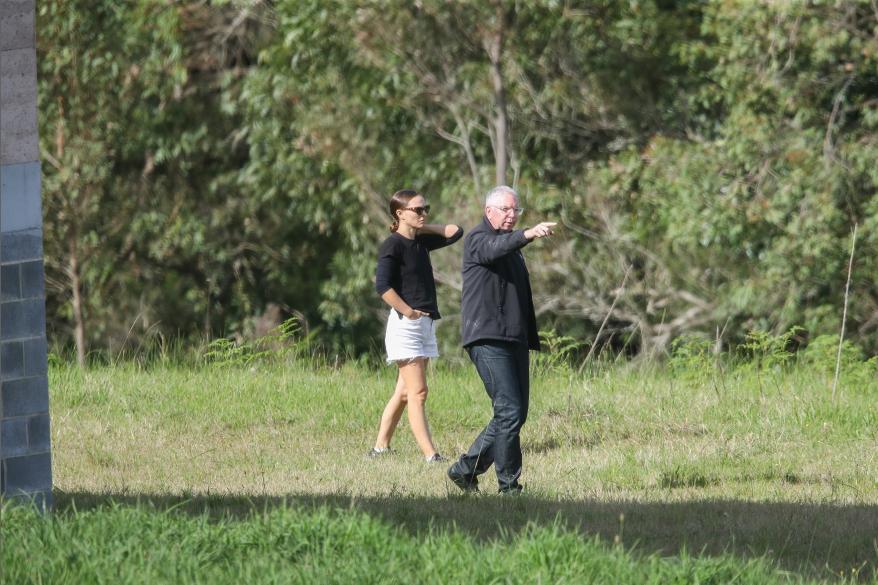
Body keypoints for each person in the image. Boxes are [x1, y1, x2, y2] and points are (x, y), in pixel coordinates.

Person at [447, 185, 556, 492]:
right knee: (508, 410)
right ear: (489, 211)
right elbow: (496, 249)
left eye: (515, 210)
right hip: (488, 337)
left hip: (513, 338)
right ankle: (509, 487)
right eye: (506, 210)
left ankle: (466, 469)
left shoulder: (512, 249)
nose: (511, 215)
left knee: (516, 414)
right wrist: (527, 234)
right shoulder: (478, 240)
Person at [369, 189, 463, 462]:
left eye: (425, 209)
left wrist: (419, 226)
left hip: (425, 324)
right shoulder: (393, 245)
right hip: (405, 326)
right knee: (418, 392)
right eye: (417, 210)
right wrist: (408, 311)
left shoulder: (421, 243)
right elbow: (383, 287)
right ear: (400, 213)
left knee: (403, 391)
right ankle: (430, 455)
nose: (424, 214)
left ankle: (380, 448)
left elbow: (455, 232)